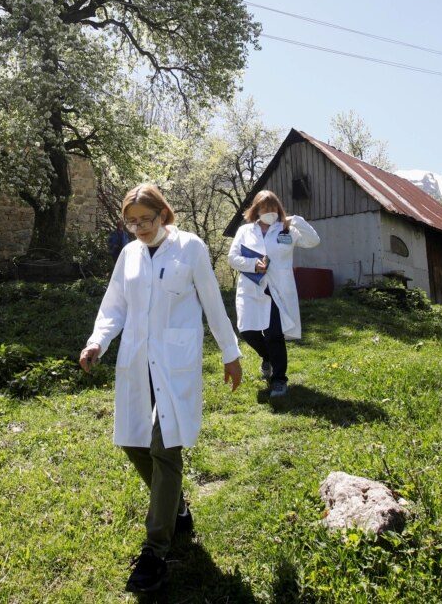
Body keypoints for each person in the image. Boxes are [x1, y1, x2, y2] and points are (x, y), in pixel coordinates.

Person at [79, 183, 243, 595]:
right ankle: (178, 506)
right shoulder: (128, 254)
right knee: (133, 442)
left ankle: (156, 551)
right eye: (130, 221)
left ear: (163, 214)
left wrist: (230, 351)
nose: (138, 228)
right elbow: (114, 305)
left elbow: (211, 301)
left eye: (145, 220)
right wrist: (98, 340)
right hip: (136, 360)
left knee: (164, 447)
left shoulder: (190, 248)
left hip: (175, 361)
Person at [228, 190, 320, 399]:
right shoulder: (245, 231)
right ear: (256, 210)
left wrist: (295, 220)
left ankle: (279, 380)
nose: (268, 212)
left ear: (278, 209)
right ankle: (267, 358)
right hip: (252, 288)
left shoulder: (287, 229)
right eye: (264, 208)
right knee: (247, 331)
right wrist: (253, 264)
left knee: (274, 334)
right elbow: (232, 258)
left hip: (277, 289)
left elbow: (313, 240)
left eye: (272, 208)